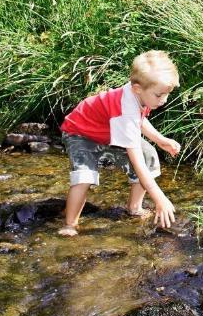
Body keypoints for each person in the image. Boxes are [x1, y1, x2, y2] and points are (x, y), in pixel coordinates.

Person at [57, 51, 181, 236]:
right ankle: (70, 224)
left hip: (109, 131)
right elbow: (135, 157)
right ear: (138, 88)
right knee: (84, 175)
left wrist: (161, 141)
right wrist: (159, 197)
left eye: (166, 95)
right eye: (159, 95)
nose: (163, 100)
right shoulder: (127, 105)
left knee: (149, 155)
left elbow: (138, 120)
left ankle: (134, 208)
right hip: (80, 133)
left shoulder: (140, 93)